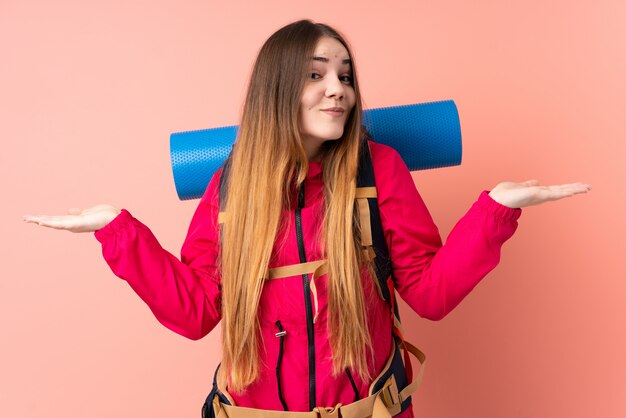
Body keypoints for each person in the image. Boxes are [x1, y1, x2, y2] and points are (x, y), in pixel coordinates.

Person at [23, 19, 591, 418]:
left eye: (345, 76)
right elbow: (197, 311)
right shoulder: (228, 188)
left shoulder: (379, 170)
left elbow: (430, 293)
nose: (337, 90)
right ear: (278, 88)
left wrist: (496, 212)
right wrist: (116, 233)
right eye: (317, 75)